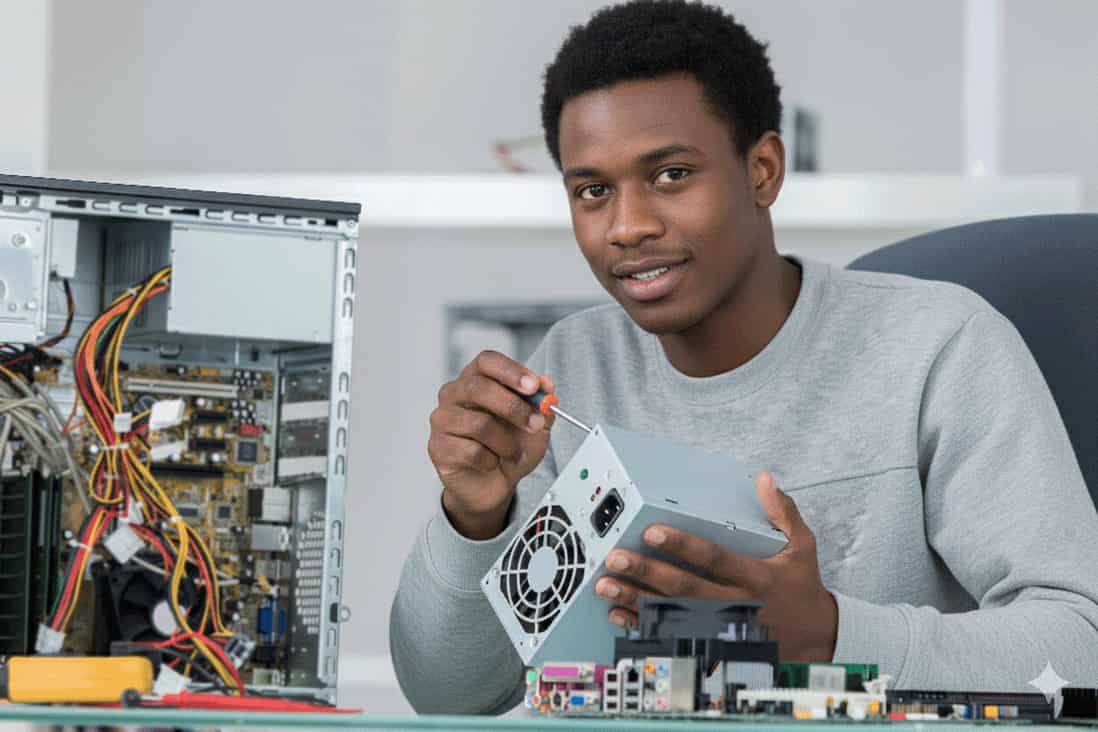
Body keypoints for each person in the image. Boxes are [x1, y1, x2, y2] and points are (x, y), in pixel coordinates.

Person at [390, 0, 1098, 715]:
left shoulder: (938, 347)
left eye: (670, 175)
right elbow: (448, 694)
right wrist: (474, 517)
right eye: (593, 191)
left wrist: (829, 633)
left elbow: (1082, 647)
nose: (628, 226)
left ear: (762, 170)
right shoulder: (574, 365)